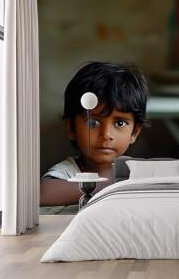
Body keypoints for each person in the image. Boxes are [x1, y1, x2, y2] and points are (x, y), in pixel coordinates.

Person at [41, 61, 149, 206]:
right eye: (93, 123)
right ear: (72, 128)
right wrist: (115, 185)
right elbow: (43, 193)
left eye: (120, 123)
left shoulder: (134, 170)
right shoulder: (66, 173)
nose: (106, 134)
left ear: (134, 132)